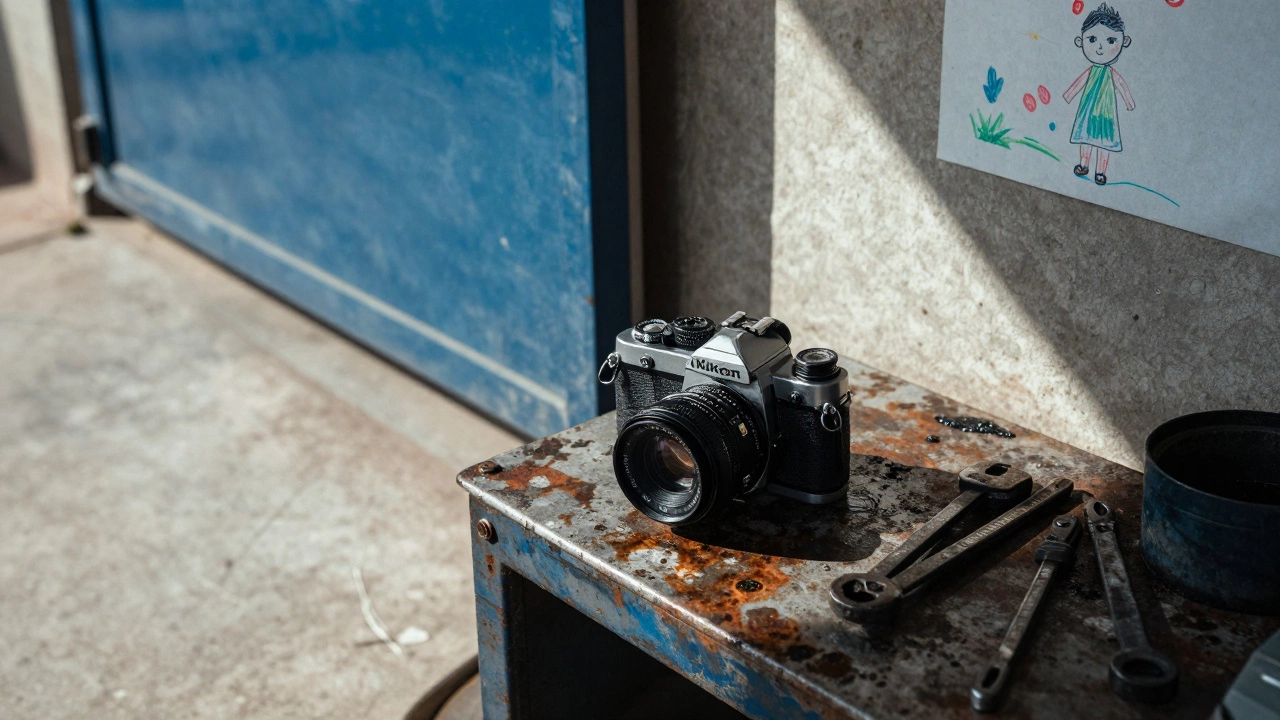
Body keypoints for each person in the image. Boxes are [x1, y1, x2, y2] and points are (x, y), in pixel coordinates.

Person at [1062, 3, 1135, 186]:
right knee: (1085, 138)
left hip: (1106, 114)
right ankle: (1084, 165)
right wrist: (1069, 95)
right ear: (1080, 42)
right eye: (1092, 39)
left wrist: (1129, 102)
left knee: (1105, 143)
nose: (1100, 48)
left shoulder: (1111, 73)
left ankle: (1100, 172)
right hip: (1088, 111)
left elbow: (1122, 86)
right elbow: (1079, 83)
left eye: (1111, 41)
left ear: (1124, 42)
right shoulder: (1091, 71)